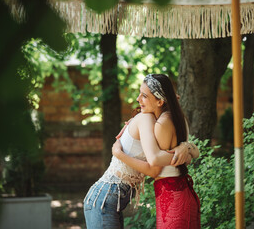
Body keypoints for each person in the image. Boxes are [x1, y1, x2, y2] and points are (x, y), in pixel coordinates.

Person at [83, 74, 198, 229]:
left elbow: (158, 160)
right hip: (104, 200)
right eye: (140, 94)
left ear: (160, 100)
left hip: (108, 200)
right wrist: (187, 153)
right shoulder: (147, 119)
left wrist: (187, 148)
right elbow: (154, 167)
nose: (138, 99)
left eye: (144, 95)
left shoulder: (156, 120)